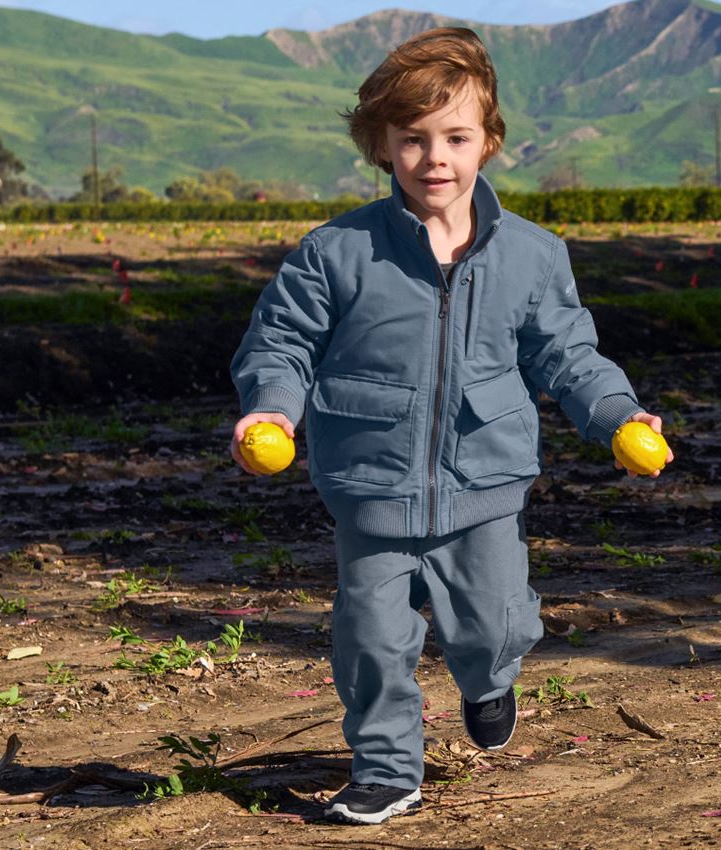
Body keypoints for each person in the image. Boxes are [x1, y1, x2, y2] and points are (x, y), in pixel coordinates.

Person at [229, 26, 673, 825]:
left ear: (488, 143)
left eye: (456, 137)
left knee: (496, 624)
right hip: (370, 486)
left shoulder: (532, 256)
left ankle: (490, 680)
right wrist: (272, 408)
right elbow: (282, 342)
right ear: (383, 147)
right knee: (370, 639)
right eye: (413, 140)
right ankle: (386, 770)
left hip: (486, 482)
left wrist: (616, 415)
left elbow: (568, 357)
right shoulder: (337, 253)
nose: (435, 158)